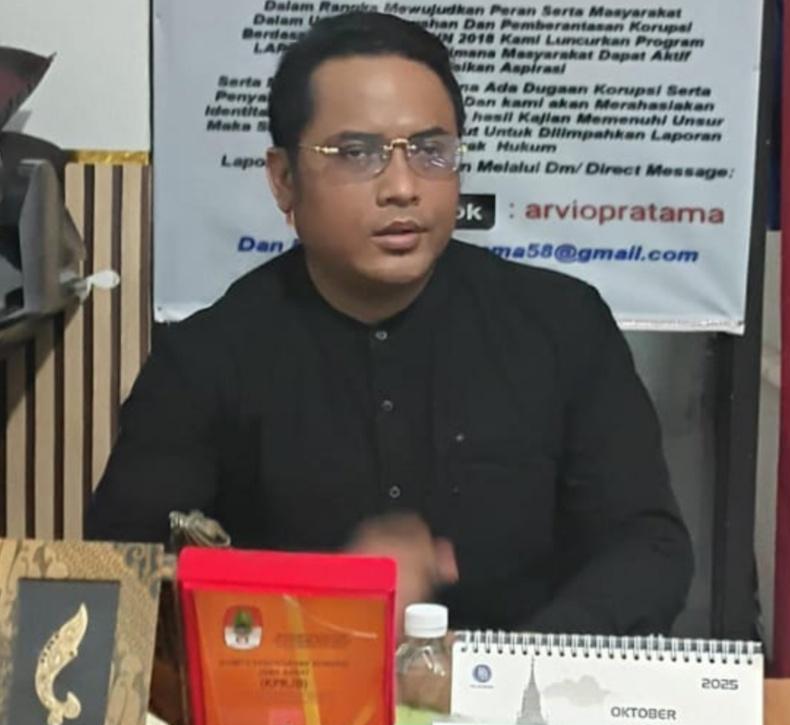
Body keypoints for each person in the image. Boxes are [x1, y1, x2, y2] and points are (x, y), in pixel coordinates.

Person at [86, 12, 693, 635]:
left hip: (522, 685)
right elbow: (123, 576)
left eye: (431, 152)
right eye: (357, 154)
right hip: (292, 687)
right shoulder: (206, 359)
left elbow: (648, 548)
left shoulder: (561, 324)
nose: (403, 187)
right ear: (284, 180)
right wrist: (324, 598)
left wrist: (508, 667)